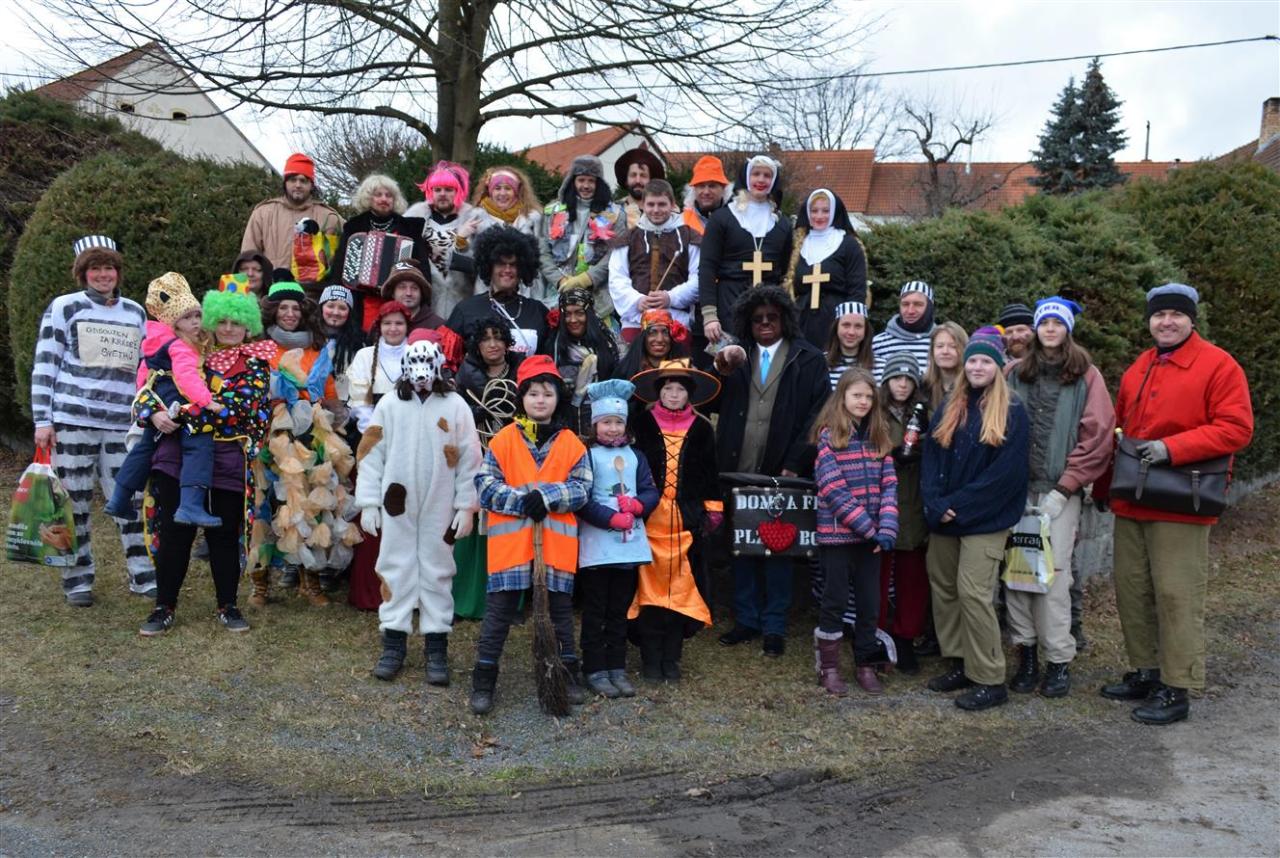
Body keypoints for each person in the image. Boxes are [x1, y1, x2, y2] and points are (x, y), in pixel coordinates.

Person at [1096, 283, 1253, 725]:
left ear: (1191, 320)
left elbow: (1236, 428)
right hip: (1133, 500)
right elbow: (1121, 432)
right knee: (1133, 590)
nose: (1166, 322)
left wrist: (1172, 448)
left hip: (1182, 500)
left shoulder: (1219, 365)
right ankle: (1146, 671)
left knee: (1176, 594)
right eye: (1158, 315)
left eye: (1175, 315)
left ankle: (1176, 686)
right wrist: (1105, 486)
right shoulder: (1140, 366)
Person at [137, 274, 276, 634]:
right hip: (177, 458)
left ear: (248, 326)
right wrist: (152, 413)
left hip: (228, 459)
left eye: (237, 323)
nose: (228, 329)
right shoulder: (185, 349)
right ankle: (163, 606)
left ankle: (228, 605)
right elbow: (149, 386)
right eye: (222, 321)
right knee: (174, 533)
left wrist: (178, 412)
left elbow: (239, 411)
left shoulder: (256, 364)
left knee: (224, 535)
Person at [31, 235, 153, 605]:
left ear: (118, 272)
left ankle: (143, 573)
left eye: (109, 268)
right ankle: (77, 579)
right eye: (95, 268)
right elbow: (45, 363)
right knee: (74, 503)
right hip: (72, 421)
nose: (103, 275)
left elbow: (146, 369)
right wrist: (42, 420)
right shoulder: (65, 307)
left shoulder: (135, 312)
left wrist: (145, 414)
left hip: (121, 424)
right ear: (83, 273)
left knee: (130, 499)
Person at [469, 356, 592, 715]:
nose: (540, 400)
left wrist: (548, 497)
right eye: (534, 393)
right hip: (511, 547)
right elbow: (485, 485)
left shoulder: (571, 444)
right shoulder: (504, 440)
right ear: (522, 398)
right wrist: (524, 501)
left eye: (548, 394)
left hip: (555, 547)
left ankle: (567, 673)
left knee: (560, 615)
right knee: (498, 615)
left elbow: (582, 488)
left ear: (557, 399)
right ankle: (484, 680)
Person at [1005, 297, 1114, 699]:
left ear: (1068, 329)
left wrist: (1066, 487)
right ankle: (1026, 653)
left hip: (1059, 491)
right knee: (1018, 572)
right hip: (1016, 490)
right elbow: (997, 425)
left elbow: (1097, 436)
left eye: (1057, 323)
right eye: (1044, 323)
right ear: (1036, 329)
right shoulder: (1015, 373)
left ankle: (1058, 659)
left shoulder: (1087, 376)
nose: (1050, 329)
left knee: (1053, 575)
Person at [358, 332, 482, 686]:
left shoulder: (456, 406)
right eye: (414, 364)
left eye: (427, 364)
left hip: (440, 503)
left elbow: (470, 458)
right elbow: (371, 452)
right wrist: (368, 501)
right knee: (394, 566)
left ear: (439, 365)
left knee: (438, 569)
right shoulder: (389, 405)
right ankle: (394, 641)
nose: (421, 372)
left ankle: (436, 644)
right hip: (397, 503)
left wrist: (466, 505)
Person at [712, 286, 830, 655]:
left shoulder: (809, 358)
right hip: (738, 465)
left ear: (785, 319)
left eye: (772, 317)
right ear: (747, 322)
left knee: (779, 548)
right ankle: (747, 619)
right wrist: (720, 368)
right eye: (757, 319)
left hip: (784, 468)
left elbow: (819, 415)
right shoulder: (735, 354)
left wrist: (796, 462)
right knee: (742, 544)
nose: (764, 323)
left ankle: (775, 624)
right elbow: (710, 398)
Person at [921, 326, 1029, 711]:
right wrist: (935, 502)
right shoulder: (951, 404)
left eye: (985, 361)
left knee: (973, 592)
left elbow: (1006, 475)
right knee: (945, 587)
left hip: (985, 519)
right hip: (945, 516)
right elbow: (932, 457)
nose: (977, 367)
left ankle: (989, 677)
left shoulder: (1012, 409)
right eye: (973, 361)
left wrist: (959, 504)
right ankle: (960, 662)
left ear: (998, 367)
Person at [253, 281, 355, 606]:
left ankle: (309, 581)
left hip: (310, 435)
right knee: (267, 506)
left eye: (295, 308)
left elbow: (328, 391)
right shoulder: (260, 347)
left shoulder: (316, 348)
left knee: (311, 504)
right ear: (273, 311)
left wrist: (333, 416)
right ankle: (260, 583)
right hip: (271, 436)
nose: (289, 314)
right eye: (283, 307)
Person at [105, 273, 221, 529]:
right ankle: (191, 504)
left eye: (197, 315)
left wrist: (150, 402)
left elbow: (143, 377)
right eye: (187, 318)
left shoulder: (155, 342)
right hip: (179, 399)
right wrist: (207, 401)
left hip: (158, 398)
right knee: (199, 443)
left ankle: (119, 497)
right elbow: (187, 378)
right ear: (174, 323)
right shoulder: (180, 346)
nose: (195, 322)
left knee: (145, 446)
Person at [630, 360, 721, 681]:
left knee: (680, 589)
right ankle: (650, 657)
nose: (673, 394)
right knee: (648, 590)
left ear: (689, 394)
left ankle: (671, 657)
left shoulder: (702, 428)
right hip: (648, 519)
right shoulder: (641, 424)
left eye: (680, 389)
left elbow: (709, 471)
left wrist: (713, 508)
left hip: (686, 521)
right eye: (668, 388)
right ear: (659, 392)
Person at [811, 367, 898, 696]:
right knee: (834, 599)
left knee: (869, 601)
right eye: (856, 395)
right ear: (842, 397)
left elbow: (889, 486)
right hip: (838, 537)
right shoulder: (828, 437)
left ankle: (865, 662)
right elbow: (834, 489)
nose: (863, 401)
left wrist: (886, 528)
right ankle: (829, 667)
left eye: (868, 396)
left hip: (872, 540)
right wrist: (868, 528)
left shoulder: (879, 437)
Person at [574, 379, 659, 698]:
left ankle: (616, 666)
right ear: (595, 424)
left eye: (618, 422)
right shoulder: (587, 455)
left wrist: (638, 506)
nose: (612, 429)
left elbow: (650, 490)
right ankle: (594, 667)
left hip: (628, 548)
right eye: (606, 422)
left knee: (619, 609)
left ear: (626, 425)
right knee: (596, 609)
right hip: (598, 547)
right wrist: (609, 518)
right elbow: (582, 498)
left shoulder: (635, 456)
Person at [453, 318, 525, 621]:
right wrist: (475, 413)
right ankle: (464, 599)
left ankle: (509, 604)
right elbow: (453, 413)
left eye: (498, 338)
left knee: (509, 529)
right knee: (469, 527)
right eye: (485, 339)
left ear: (507, 343)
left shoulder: (522, 372)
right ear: (477, 345)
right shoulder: (465, 375)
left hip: (514, 459)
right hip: (475, 458)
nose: (492, 344)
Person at [698, 155, 791, 346]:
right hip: (729, 304)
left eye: (767, 175)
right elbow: (707, 268)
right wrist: (709, 315)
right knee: (732, 360)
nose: (761, 180)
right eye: (756, 174)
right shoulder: (722, 218)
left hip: (770, 310)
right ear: (747, 177)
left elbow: (785, 271)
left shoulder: (783, 224)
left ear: (774, 180)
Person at [878, 353, 931, 675]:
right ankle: (876, 635)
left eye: (908, 379)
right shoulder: (874, 411)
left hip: (914, 502)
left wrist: (923, 444)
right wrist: (889, 455)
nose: (902, 384)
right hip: (881, 503)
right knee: (877, 577)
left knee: (913, 578)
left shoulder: (924, 414)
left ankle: (906, 637)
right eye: (896, 378)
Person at [328, 173, 427, 332]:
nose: (384, 199)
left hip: (399, 297)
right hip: (362, 298)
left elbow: (422, 267)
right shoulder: (354, 226)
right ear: (368, 198)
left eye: (388, 195)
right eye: (378, 195)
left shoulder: (409, 228)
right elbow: (340, 265)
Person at [607, 179, 700, 343]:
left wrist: (670, 297)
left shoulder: (689, 236)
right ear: (643, 205)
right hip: (636, 320)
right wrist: (637, 301)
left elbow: (699, 278)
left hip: (676, 320)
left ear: (672, 204)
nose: (656, 210)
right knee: (633, 360)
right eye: (651, 204)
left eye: (662, 204)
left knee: (678, 361)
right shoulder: (628, 238)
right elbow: (617, 278)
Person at [240, 152, 344, 293]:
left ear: (311, 185)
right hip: (271, 294)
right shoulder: (263, 213)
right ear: (285, 183)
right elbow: (248, 257)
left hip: (313, 296)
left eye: (303, 181)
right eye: (293, 180)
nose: (298, 185)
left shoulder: (330, 217)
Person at [539, 155, 624, 319]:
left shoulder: (616, 214)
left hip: (599, 300)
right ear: (572, 181)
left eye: (591, 181)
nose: (586, 186)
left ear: (599, 183)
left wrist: (587, 279)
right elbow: (542, 252)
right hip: (556, 296)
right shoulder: (551, 212)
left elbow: (615, 254)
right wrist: (560, 280)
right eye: (581, 180)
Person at [782, 189, 868, 350]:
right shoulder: (798, 244)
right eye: (814, 211)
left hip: (836, 324)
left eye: (825, 211)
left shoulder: (849, 244)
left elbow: (857, 290)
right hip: (801, 322)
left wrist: (849, 326)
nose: (819, 216)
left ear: (834, 212)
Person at [448, 225, 549, 357]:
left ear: (523, 269)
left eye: (513, 264)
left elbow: (550, 359)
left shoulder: (537, 311)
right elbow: (448, 359)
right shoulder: (466, 310)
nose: (507, 270)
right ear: (489, 267)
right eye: (501, 264)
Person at [405, 161, 478, 321]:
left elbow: (479, 266)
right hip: (424, 304)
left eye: (448, 189)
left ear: (458, 191)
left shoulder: (473, 220)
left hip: (462, 301)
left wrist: (462, 242)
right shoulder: (414, 219)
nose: (442, 194)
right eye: (437, 190)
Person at [548, 288, 619, 437]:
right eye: (567, 314)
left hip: (600, 424)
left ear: (589, 314)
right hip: (563, 424)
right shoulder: (553, 346)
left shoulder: (607, 345)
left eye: (579, 313)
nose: (573, 320)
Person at [318, 284, 363, 430]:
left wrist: (350, 412)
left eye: (342, 308)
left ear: (349, 312)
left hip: (345, 415)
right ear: (321, 307)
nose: (336, 312)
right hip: (312, 409)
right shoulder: (309, 338)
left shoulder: (359, 344)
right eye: (330, 306)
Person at [872, 281, 937, 381]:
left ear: (929, 307)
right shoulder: (878, 344)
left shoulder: (940, 343)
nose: (910, 311)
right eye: (905, 304)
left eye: (918, 304)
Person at [467, 166, 545, 239]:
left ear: (516, 192)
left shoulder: (533, 217)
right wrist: (462, 238)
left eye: (508, 188)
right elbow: (467, 247)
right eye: (497, 188)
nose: (502, 193)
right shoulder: (476, 216)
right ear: (490, 192)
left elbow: (542, 246)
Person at [379, 260, 448, 335]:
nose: (408, 293)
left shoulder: (439, 327)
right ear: (392, 293)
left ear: (421, 293)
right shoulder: (380, 324)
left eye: (414, 288)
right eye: (402, 287)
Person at [822, 300, 874, 390]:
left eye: (858, 326)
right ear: (836, 327)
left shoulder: (881, 366)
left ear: (866, 330)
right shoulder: (820, 363)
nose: (851, 332)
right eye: (846, 325)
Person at [921, 322, 969, 412]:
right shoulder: (924, 388)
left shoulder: (972, 387)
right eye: (940, 346)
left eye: (953, 346)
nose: (945, 351)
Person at [615, 146, 666, 229]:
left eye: (643, 175)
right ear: (626, 180)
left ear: (651, 180)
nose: (638, 180)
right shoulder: (613, 212)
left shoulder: (664, 212)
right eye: (633, 175)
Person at [680, 155, 732, 236]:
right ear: (694, 189)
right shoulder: (681, 221)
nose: (706, 192)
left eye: (712, 186)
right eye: (701, 186)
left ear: (724, 188)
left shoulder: (737, 218)